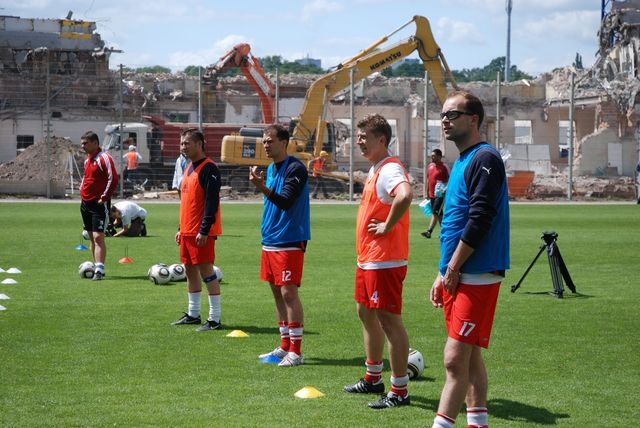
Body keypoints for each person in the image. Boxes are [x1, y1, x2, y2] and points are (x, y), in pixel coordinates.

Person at [429, 91, 510, 428]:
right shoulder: (463, 160)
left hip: (476, 272)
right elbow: (454, 220)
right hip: (459, 272)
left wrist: (452, 267)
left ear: (473, 119)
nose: (445, 121)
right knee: (470, 356)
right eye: (443, 115)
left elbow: (479, 219)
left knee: (454, 359)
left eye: (452, 115)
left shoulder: (484, 158)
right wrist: (442, 272)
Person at [343, 113, 413, 409]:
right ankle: (373, 378)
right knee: (365, 313)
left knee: (388, 321)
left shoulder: (390, 169)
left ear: (381, 140)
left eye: (364, 137)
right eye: (358, 136)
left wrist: (387, 226)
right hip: (368, 259)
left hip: (385, 260)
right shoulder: (376, 169)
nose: (359, 141)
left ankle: (400, 391)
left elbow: (405, 195)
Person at [249, 124, 310, 368]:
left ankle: (296, 351)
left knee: (288, 293)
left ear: (284, 142)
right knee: (276, 292)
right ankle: (284, 345)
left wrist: (261, 187)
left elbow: (285, 201)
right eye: (264, 141)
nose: (266, 145)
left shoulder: (296, 168)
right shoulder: (271, 168)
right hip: (270, 239)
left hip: (290, 238)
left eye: (270, 141)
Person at [171, 128, 223, 332]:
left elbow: (211, 202)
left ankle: (214, 319)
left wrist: (204, 229)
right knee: (189, 270)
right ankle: (193, 314)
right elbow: (187, 201)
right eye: (181, 143)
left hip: (200, 231)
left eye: (187, 143)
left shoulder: (209, 168)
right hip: (187, 230)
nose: (183, 147)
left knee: (207, 271)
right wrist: (180, 227)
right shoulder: (188, 166)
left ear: (199, 144)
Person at [79, 131, 119, 281]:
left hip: (98, 204)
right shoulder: (87, 161)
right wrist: (81, 191)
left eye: (85, 143)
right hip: (85, 203)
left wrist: (104, 197)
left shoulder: (104, 158)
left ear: (95, 143)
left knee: (98, 237)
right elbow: (86, 178)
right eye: (82, 143)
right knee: (91, 237)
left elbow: (113, 178)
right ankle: (97, 265)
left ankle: (100, 270)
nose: (83, 146)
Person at [421, 148, 449, 239]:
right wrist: (427, 192)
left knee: (435, 212)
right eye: (431, 155)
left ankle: (429, 231)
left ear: (439, 157)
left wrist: (445, 189)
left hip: (440, 195)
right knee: (439, 214)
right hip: (432, 194)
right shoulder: (430, 166)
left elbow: (451, 179)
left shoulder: (444, 167)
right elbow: (428, 180)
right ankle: (445, 232)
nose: (432, 157)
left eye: (434, 156)